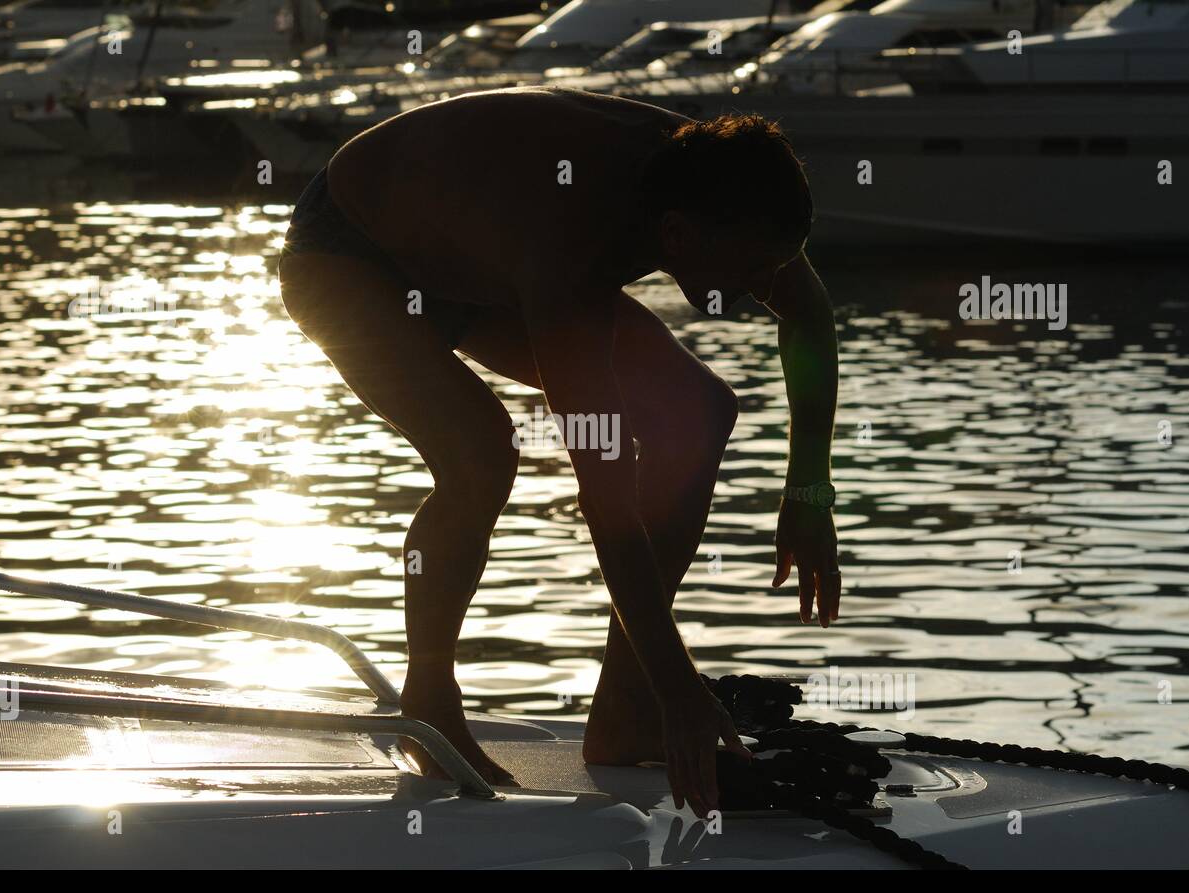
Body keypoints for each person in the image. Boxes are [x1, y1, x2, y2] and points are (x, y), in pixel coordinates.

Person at [278, 86, 840, 818]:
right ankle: (430, 700)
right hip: (350, 251)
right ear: (677, 235)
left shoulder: (726, 185)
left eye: (775, 265)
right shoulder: (569, 244)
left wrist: (808, 497)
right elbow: (606, 500)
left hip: (480, 251)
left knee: (698, 411)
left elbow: (810, 316)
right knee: (482, 452)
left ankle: (623, 710)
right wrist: (685, 691)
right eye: (751, 272)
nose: (764, 289)